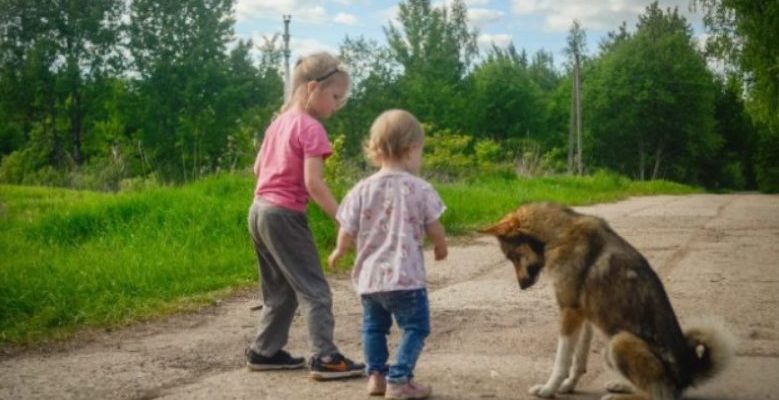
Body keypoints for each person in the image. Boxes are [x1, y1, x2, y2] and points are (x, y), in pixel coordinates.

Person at [245, 51, 364, 380]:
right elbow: (314, 183)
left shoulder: (279, 122)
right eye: (335, 97)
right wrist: (344, 218)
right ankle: (325, 357)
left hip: (258, 211)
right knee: (315, 290)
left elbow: (258, 168)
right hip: (284, 215)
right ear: (313, 88)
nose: (337, 106)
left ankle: (264, 351)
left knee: (280, 291)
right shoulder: (311, 128)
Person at [329, 109, 448, 399]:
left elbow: (346, 228)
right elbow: (434, 225)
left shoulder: (360, 189)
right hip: (406, 279)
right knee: (416, 327)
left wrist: (340, 250)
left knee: (373, 328)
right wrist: (441, 246)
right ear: (410, 150)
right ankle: (399, 380)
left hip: (369, 280)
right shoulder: (419, 188)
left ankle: (377, 377)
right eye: (421, 151)